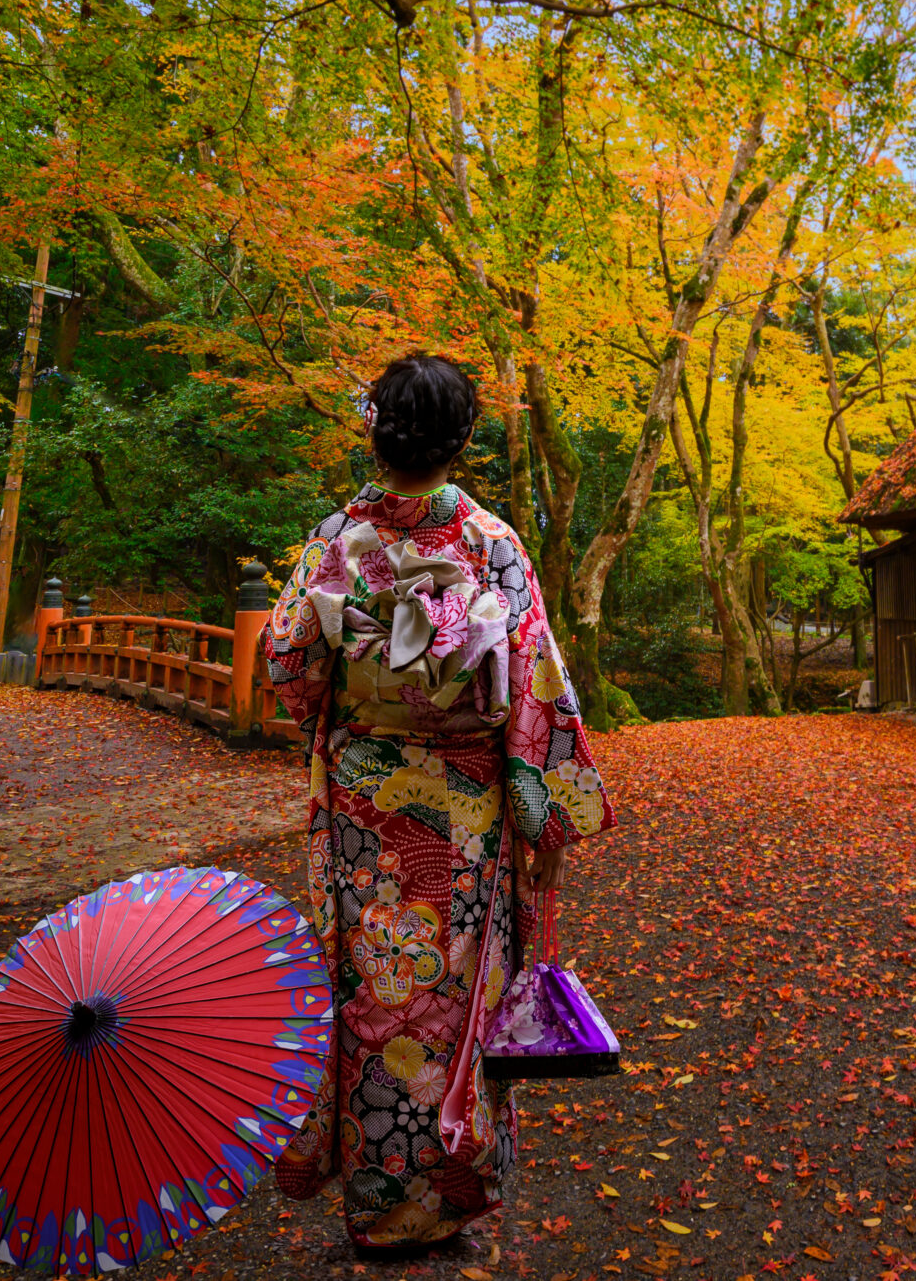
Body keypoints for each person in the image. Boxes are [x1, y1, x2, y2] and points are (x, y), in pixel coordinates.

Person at [263, 354, 615, 1254]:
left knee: (376, 992)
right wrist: (549, 812)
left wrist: (356, 706)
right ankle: (456, 1191)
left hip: (364, 810)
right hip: (464, 812)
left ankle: (378, 1202)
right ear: (461, 439)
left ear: (375, 429)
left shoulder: (336, 540)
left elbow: (290, 666)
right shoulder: (492, 542)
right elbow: (536, 688)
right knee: (459, 995)